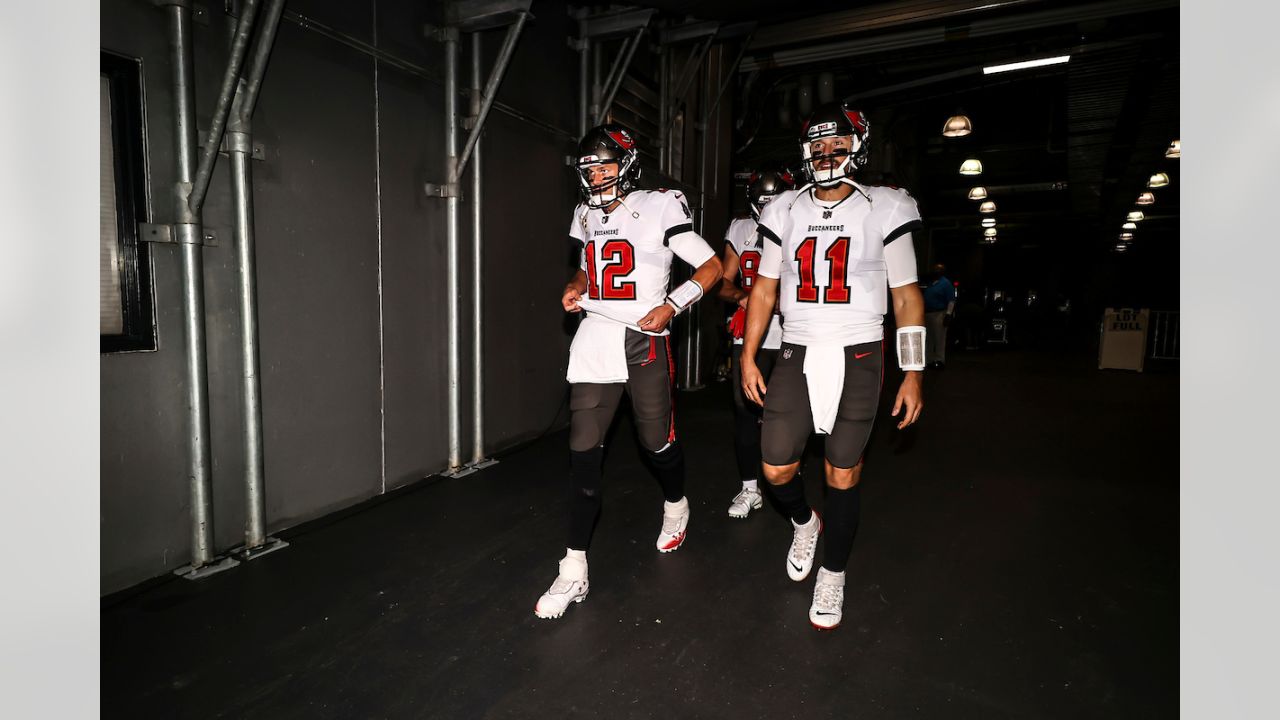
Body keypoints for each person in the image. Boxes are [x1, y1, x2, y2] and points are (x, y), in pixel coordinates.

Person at [740, 101, 925, 631]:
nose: (826, 153)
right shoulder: (785, 209)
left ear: (858, 147)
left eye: (837, 143)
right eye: (817, 145)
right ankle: (804, 521)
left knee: (841, 471)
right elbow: (764, 289)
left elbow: (908, 296)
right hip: (797, 349)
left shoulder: (885, 205)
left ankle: (834, 572)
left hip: (859, 351)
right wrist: (751, 354)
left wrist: (913, 372)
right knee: (774, 466)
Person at [535, 124, 723, 620]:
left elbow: (710, 267)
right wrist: (574, 287)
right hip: (597, 333)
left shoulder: (660, 204)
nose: (597, 175)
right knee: (582, 451)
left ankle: (677, 502)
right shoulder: (584, 212)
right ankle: (573, 569)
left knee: (656, 443)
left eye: (605, 164)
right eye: (589, 168)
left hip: (643, 334)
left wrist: (673, 304)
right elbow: (586, 268)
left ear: (629, 162)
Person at [716, 169, 793, 518]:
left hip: (794, 333)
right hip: (751, 335)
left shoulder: (803, 223)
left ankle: (788, 476)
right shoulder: (741, 229)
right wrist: (746, 297)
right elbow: (722, 283)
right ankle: (750, 489)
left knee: (789, 411)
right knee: (745, 410)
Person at [922, 263, 956, 369]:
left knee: (939, 337)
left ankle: (939, 360)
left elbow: (951, 300)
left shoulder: (945, 283)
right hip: (928, 313)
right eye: (935, 269)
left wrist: (948, 314)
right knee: (929, 338)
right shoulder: (930, 283)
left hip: (939, 313)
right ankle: (929, 360)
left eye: (939, 270)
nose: (936, 271)